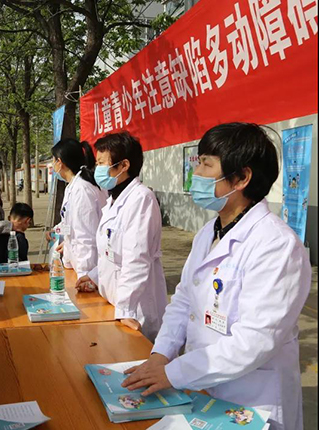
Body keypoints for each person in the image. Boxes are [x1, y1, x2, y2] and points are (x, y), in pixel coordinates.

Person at [122, 123, 311, 430]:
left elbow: (255, 341)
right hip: (204, 389)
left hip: (252, 400)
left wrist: (175, 372)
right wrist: (161, 354)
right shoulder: (209, 232)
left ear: (242, 178)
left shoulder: (277, 245)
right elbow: (184, 300)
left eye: (206, 165)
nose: (196, 173)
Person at [75, 132, 167, 341]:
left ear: (124, 165)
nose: (97, 169)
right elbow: (110, 253)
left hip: (135, 309)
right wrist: (94, 275)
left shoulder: (141, 199)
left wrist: (125, 309)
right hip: (113, 300)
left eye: (101, 163)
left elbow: (136, 259)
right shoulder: (114, 199)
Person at [46, 138, 108, 279]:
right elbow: (71, 224)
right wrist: (57, 231)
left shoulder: (82, 190)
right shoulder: (73, 187)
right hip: (75, 264)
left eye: (53, 160)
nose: (53, 165)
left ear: (59, 162)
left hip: (88, 269)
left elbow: (86, 238)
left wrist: (85, 275)